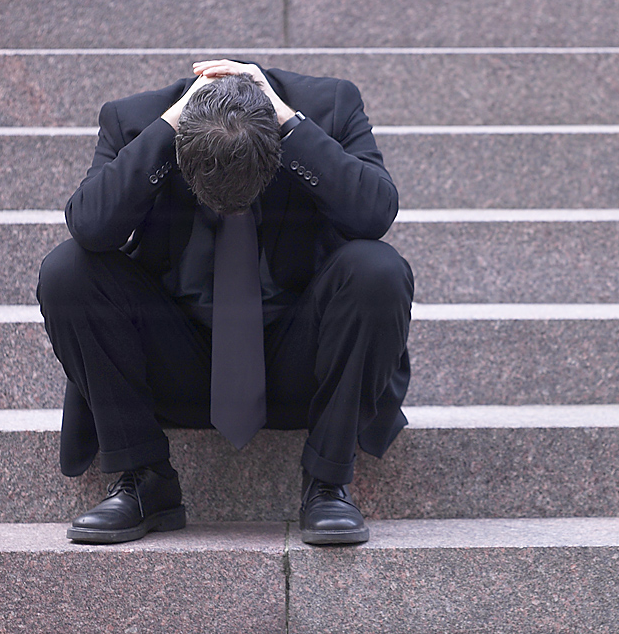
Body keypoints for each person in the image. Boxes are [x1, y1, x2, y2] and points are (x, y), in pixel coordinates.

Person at [37, 59, 413, 546]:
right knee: (68, 270)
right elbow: (89, 224)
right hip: (177, 360)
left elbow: (375, 212)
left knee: (378, 270)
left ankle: (327, 483)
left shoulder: (332, 107)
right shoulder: (133, 121)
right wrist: (168, 127)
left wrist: (289, 124)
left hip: (302, 357)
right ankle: (144, 478)